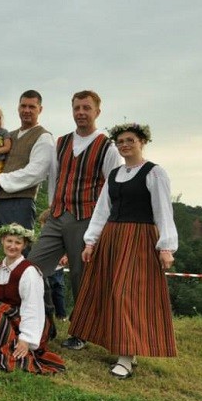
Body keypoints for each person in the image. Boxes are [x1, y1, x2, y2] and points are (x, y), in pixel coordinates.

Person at [69, 123, 177, 379]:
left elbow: (163, 211)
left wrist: (166, 247)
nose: (125, 145)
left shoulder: (155, 173)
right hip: (113, 239)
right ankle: (128, 350)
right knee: (110, 292)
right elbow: (101, 211)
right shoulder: (115, 174)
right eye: (120, 141)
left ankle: (126, 358)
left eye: (130, 140)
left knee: (126, 295)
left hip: (139, 239)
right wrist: (91, 242)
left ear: (142, 142)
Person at [27, 90, 122, 351]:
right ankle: (35, 321)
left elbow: (112, 189)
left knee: (81, 277)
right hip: (58, 215)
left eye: (86, 108)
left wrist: (101, 226)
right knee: (31, 267)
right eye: (77, 107)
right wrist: (51, 207)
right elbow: (54, 178)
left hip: (87, 218)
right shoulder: (62, 141)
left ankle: (80, 332)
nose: (81, 112)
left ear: (97, 112)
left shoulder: (107, 146)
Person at [0, 90, 54, 289]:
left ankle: (43, 309)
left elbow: (35, 172)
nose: (26, 110)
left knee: (26, 259)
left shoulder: (43, 137)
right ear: (18, 108)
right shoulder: (7, 135)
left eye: (31, 107)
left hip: (20, 202)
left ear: (40, 109)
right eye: (23, 106)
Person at [0, 224, 65, 374]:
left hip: (28, 322)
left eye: (18, 242)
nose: (12, 246)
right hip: (4, 317)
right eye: (9, 241)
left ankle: (7, 346)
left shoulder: (29, 271)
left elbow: (33, 307)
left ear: (24, 245)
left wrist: (26, 338)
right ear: (2, 240)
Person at [37, 209, 67, 321]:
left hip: (57, 269)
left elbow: (67, 248)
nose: (42, 227)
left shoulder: (61, 235)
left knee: (58, 291)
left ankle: (61, 315)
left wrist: (65, 257)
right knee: (45, 291)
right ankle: (46, 314)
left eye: (43, 224)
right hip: (44, 268)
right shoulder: (42, 237)